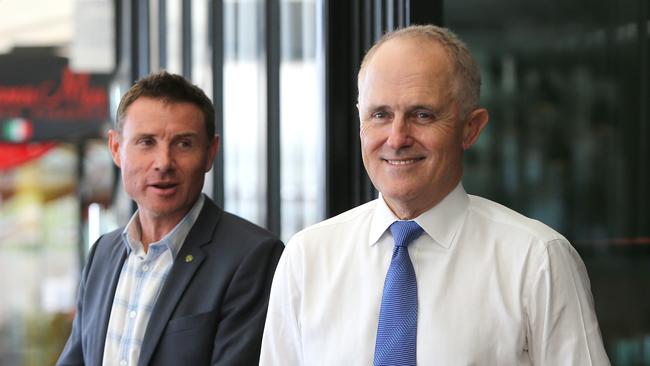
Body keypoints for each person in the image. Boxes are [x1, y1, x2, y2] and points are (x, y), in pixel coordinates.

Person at [260, 25, 610, 365]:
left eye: (422, 115)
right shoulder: (307, 259)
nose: (396, 139)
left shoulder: (537, 260)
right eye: (380, 115)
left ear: (470, 129)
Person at [57, 71, 283, 366]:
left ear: (210, 153)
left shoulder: (253, 257)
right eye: (146, 142)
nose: (163, 162)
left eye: (183, 144)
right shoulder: (103, 253)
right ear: (115, 148)